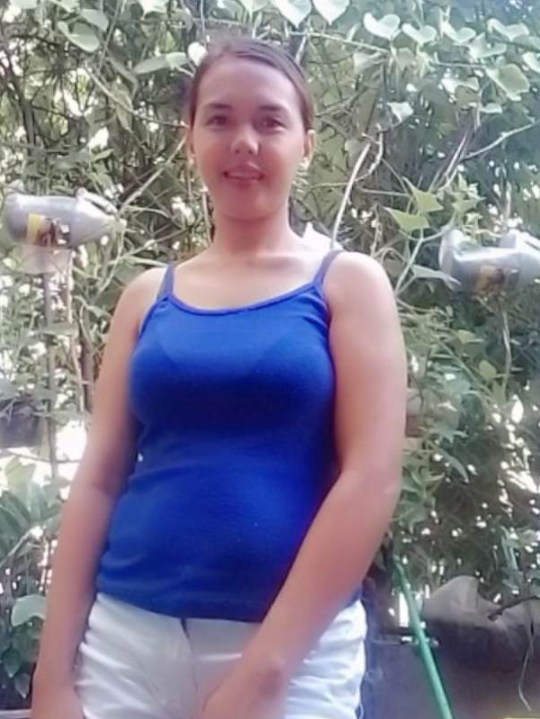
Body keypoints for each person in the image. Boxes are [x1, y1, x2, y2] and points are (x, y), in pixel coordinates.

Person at [30, 36, 407, 719]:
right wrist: (52, 678)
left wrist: (264, 676)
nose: (244, 142)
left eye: (270, 121)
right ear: (191, 139)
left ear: (306, 144)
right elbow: (99, 479)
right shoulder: (147, 297)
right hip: (124, 643)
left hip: (289, 656)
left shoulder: (347, 285)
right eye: (220, 119)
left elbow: (370, 479)